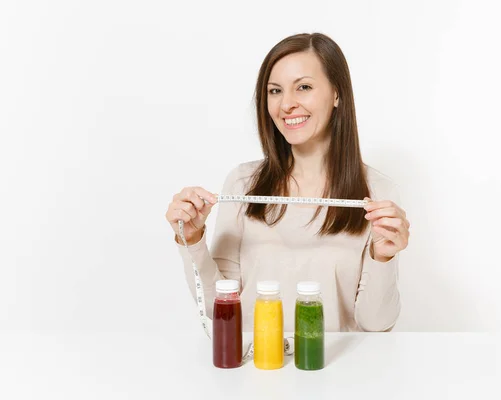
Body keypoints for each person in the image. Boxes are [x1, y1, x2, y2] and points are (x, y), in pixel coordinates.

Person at [165, 33, 410, 332]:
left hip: (337, 373)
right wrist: (192, 241)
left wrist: (382, 257)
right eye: (275, 91)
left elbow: (377, 325)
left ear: (337, 94)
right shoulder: (244, 185)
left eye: (303, 87)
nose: (286, 105)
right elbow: (221, 313)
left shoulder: (377, 193)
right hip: (258, 371)